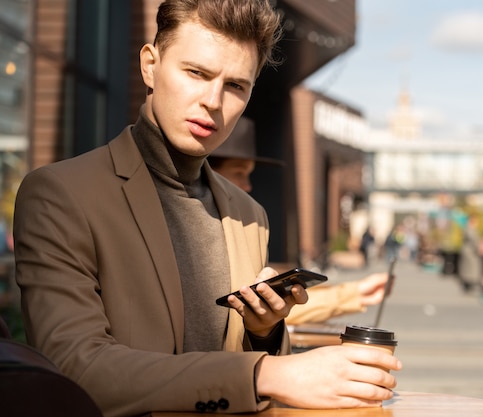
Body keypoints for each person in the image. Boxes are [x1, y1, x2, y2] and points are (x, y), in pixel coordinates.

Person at [13, 2, 401, 416]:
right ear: (150, 65)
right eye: (196, 73)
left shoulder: (249, 213)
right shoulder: (61, 194)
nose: (213, 100)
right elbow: (75, 369)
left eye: (236, 86)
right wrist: (265, 373)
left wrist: (264, 331)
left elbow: (255, 374)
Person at [209, 117, 391, 325]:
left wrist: (353, 294)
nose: (247, 186)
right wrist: (351, 295)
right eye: (239, 173)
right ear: (209, 173)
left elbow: (267, 306)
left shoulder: (246, 223)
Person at [457, 214, 483, 292]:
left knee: (468, 268)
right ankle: (469, 284)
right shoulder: (469, 228)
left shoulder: (468, 228)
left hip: (469, 251)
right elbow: (474, 240)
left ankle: (469, 284)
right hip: (470, 251)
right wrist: (478, 248)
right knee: (470, 268)